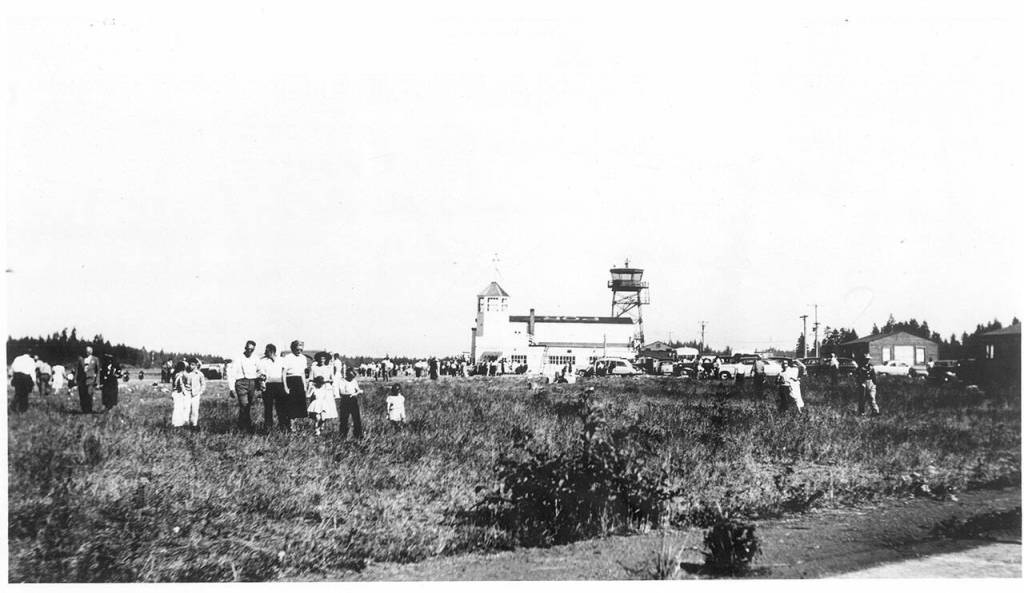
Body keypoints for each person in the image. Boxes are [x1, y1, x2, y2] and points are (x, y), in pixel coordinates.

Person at [227, 340, 261, 431]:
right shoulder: (238, 358)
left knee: (247, 406)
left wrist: (260, 379)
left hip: (252, 383)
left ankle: (242, 424)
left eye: (252, 349)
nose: (249, 351)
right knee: (244, 404)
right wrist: (231, 388)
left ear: (254, 350)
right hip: (241, 383)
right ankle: (246, 427)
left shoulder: (256, 358)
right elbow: (231, 374)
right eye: (248, 349)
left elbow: (259, 370)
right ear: (245, 348)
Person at [280, 340, 309, 431]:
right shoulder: (288, 357)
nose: (299, 351)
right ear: (293, 348)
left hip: (299, 381)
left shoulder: (303, 358)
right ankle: (290, 426)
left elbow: (303, 373)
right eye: (297, 349)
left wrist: (305, 386)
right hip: (290, 380)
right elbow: (283, 373)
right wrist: (285, 387)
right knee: (290, 405)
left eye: (301, 349)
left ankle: (296, 425)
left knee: (299, 405)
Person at [257, 343, 286, 431]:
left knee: (281, 407)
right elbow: (261, 374)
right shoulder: (263, 361)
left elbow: (284, 372)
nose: (265, 352)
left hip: (280, 386)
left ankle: (283, 427)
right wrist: (262, 383)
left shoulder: (281, 360)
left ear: (272, 351)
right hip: (268, 386)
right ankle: (268, 428)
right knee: (268, 408)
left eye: (267, 351)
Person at [174, 357, 206, 428]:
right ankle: (185, 423)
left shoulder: (199, 374)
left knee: (195, 410)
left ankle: (194, 424)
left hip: (196, 394)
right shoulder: (185, 373)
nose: (191, 366)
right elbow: (182, 382)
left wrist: (200, 392)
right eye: (190, 364)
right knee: (186, 409)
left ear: (196, 365)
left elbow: (203, 384)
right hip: (187, 393)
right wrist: (184, 391)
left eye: (193, 365)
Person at [336, 368, 364, 439]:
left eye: (353, 377)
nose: (352, 378)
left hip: (353, 401)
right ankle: (343, 435)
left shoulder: (354, 381)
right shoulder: (342, 381)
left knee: (356, 418)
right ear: (347, 375)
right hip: (345, 401)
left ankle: (358, 435)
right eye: (351, 377)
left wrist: (358, 392)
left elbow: (357, 389)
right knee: (344, 419)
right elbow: (342, 392)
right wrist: (353, 393)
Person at [76, 346, 101, 413]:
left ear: (91, 352)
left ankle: (89, 410)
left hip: (91, 380)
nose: (87, 352)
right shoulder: (80, 359)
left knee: (89, 394)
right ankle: (84, 409)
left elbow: (98, 371)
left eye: (89, 351)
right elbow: (77, 370)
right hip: (82, 380)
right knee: (82, 394)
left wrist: (97, 381)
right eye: (86, 351)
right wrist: (76, 380)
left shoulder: (95, 359)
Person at [170, 361, 189, 427]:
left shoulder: (175, 374)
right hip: (179, 393)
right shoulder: (180, 375)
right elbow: (181, 384)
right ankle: (178, 423)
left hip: (175, 393)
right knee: (179, 408)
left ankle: (176, 423)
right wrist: (185, 392)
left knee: (177, 408)